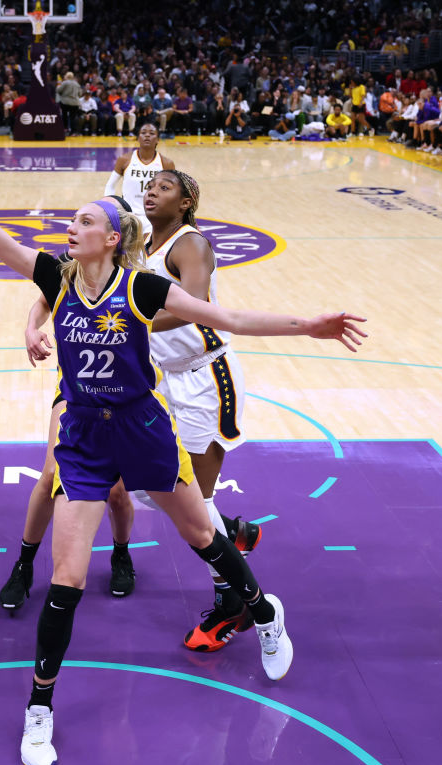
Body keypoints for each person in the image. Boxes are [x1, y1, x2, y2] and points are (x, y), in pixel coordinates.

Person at [0, 91, 367, 765]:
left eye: (85, 220)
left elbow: (229, 319)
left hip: (146, 429)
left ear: (112, 236)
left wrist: (309, 325)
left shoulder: (143, 290)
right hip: (85, 441)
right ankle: (39, 709)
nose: (72, 225)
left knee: (203, 535)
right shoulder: (55, 277)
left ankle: (265, 611)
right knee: (68, 576)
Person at [141, 169, 264, 652]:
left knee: (193, 500)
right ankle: (234, 532)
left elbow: (192, 304)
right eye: (149, 186)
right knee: (149, 489)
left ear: (187, 201)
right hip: (171, 377)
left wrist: (131, 319)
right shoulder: (147, 243)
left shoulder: (190, 246)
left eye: (164, 187)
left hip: (205, 379)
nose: (152, 191)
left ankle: (233, 603)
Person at [0, 194, 138, 612]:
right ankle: (23, 564)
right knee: (48, 476)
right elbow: (45, 299)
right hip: (76, 390)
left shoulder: (136, 280)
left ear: (117, 235)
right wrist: (30, 328)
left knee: (116, 491)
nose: (75, 227)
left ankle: (121, 552)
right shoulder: (72, 265)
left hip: (123, 396)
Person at [105, 123, 175, 234]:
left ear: (157, 139)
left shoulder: (166, 163)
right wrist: (110, 208)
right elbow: (110, 185)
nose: (147, 136)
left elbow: (173, 192)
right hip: (129, 215)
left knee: (149, 250)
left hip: (154, 216)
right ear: (138, 138)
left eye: (152, 133)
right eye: (143, 133)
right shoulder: (125, 159)